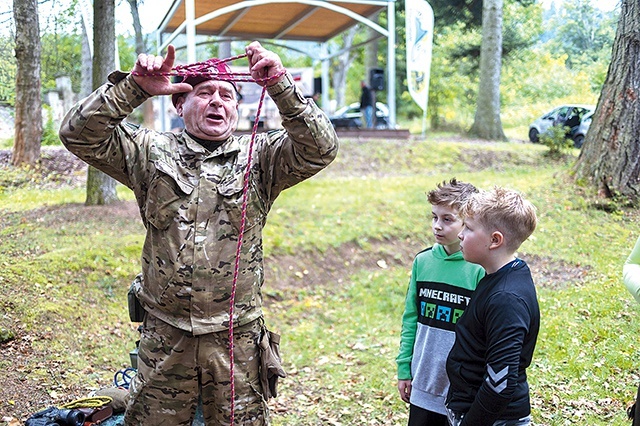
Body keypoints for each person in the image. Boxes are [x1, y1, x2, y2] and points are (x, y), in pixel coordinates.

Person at [58, 41, 339, 426]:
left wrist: (280, 85)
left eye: (227, 95)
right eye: (204, 92)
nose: (217, 102)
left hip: (235, 341)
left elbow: (321, 149)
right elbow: (78, 134)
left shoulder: (261, 156)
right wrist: (134, 87)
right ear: (179, 104)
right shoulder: (149, 151)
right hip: (165, 336)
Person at [445, 187, 539, 426]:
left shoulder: (506, 298)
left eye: (468, 228)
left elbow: (500, 384)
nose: (461, 235)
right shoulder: (503, 275)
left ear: (495, 240)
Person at [396, 179, 485, 426]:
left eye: (447, 219)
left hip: (461, 388)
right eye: (434, 217)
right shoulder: (422, 262)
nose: (437, 226)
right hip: (423, 381)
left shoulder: (478, 268)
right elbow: (410, 318)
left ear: (467, 222)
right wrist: (405, 368)